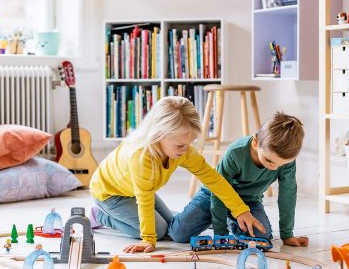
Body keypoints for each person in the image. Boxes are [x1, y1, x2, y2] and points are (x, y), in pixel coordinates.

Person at [89, 96, 265, 254]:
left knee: (171, 225)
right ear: (158, 135)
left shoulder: (183, 150)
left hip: (135, 190)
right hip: (110, 195)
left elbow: (213, 178)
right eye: (181, 145)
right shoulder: (140, 157)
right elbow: (144, 200)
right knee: (160, 231)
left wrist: (240, 209)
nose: (186, 149)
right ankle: (101, 216)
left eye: (189, 143)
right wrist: (148, 239)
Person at [170, 112, 309, 247]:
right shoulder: (237, 152)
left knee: (261, 237)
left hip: (249, 201)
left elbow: (288, 195)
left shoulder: (286, 161)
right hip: (215, 195)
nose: (274, 167)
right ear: (256, 142)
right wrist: (221, 233)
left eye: (281, 164)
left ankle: (227, 220)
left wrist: (287, 234)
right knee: (179, 234)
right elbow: (219, 191)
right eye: (269, 160)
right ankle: (214, 218)